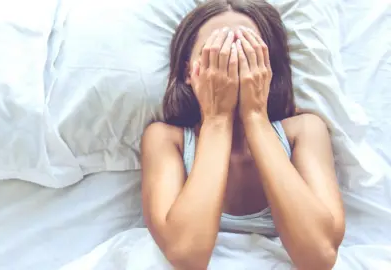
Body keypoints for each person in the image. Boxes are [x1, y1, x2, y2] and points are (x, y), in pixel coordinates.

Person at [140, 0, 345, 269]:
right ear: (189, 72)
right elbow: (187, 255)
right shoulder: (165, 139)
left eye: (249, 53)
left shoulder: (304, 130)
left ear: (269, 70)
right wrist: (216, 120)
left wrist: (255, 117)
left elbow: (319, 256)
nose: (233, 62)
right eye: (216, 53)